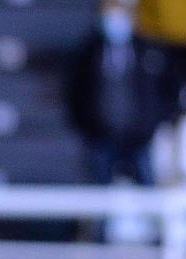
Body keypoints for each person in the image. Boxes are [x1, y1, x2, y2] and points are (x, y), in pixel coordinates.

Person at [65, 0, 175, 188]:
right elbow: (74, 93)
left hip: (140, 138)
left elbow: (167, 90)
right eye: (110, 13)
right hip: (101, 137)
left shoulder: (149, 51)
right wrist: (87, 127)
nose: (115, 20)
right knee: (98, 196)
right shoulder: (89, 51)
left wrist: (156, 121)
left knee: (148, 192)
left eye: (120, 13)